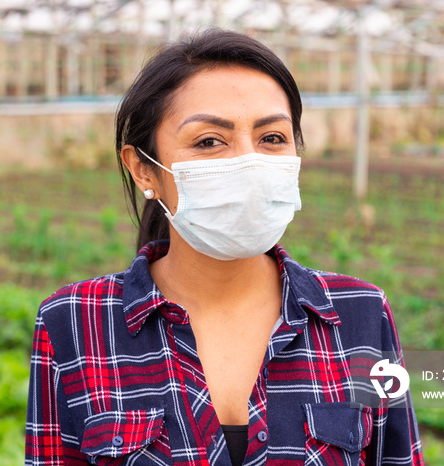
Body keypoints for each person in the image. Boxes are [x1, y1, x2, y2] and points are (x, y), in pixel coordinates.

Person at [26, 29, 423, 466]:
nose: (248, 163)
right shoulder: (73, 323)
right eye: (209, 142)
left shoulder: (361, 314)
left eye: (272, 138)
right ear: (143, 170)